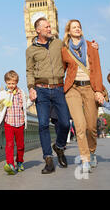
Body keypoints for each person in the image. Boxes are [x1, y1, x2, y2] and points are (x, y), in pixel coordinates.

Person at [61, 19, 107, 174]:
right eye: (74, 27)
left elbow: (98, 69)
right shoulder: (64, 49)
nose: (77, 29)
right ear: (68, 31)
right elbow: (61, 70)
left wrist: (99, 90)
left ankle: (92, 151)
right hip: (73, 89)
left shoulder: (91, 46)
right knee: (80, 126)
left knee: (91, 127)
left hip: (90, 87)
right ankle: (85, 159)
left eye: (79, 27)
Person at [26, 18, 71, 174]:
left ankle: (59, 147)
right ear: (38, 30)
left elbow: (74, 49)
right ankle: (48, 159)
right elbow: (29, 71)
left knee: (65, 123)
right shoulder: (31, 50)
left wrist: (92, 47)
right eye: (46, 27)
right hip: (41, 90)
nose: (49, 28)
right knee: (43, 125)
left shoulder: (58, 43)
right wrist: (31, 88)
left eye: (50, 26)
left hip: (59, 88)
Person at [0, 70, 34, 175]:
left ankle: (19, 162)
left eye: (13, 83)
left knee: (20, 145)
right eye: (9, 83)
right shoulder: (2, 93)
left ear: (17, 82)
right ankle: (10, 163)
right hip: (8, 123)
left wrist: (32, 101)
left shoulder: (21, 93)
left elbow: (24, 106)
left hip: (20, 123)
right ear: (6, 82)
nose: (11, 85)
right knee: (9, 144)